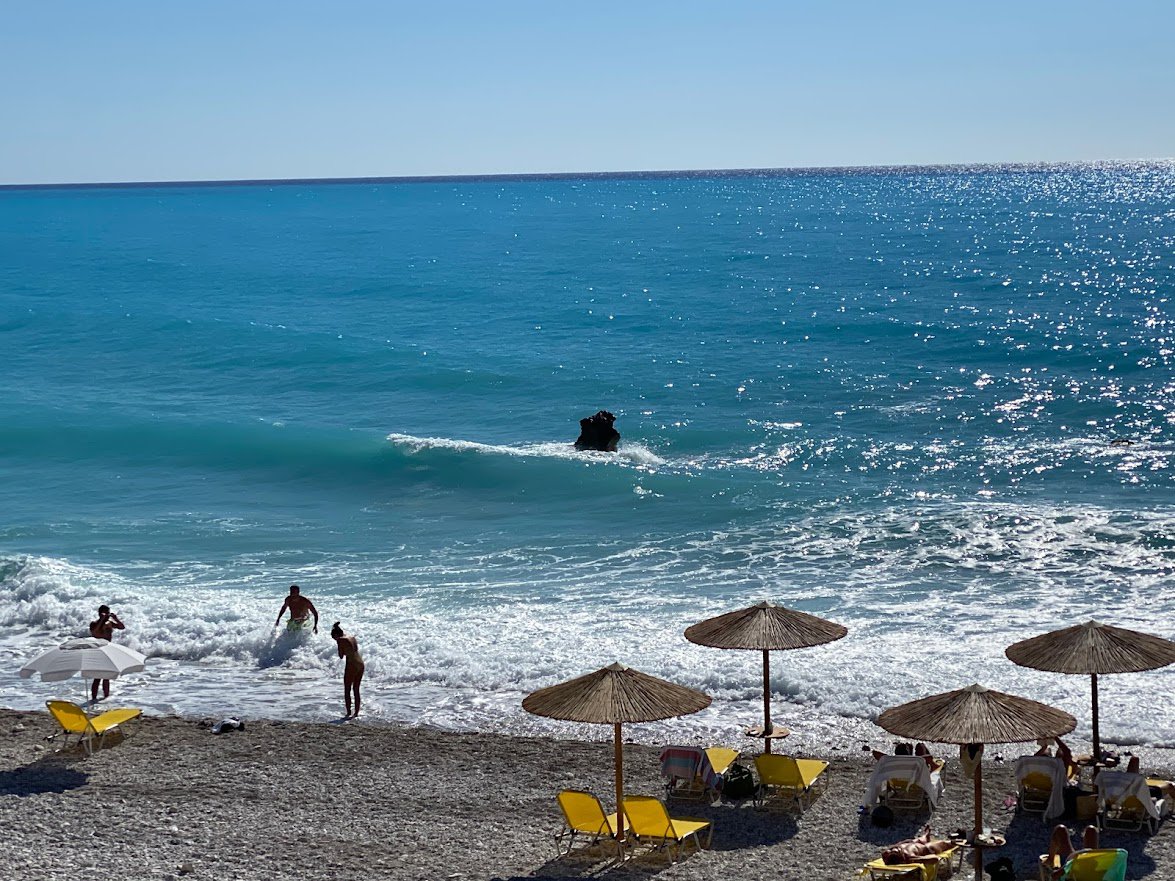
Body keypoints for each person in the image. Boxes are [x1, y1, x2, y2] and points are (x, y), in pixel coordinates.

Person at [88, 605, 125, 701]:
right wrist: (101, 620)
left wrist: (116, 619)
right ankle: (93, 698)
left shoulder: (110, 623)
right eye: (106, 613)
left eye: (108, 613)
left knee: (107, 676)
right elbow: (96, 633)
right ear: (100, 614)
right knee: (97, 677)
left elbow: (122, 627)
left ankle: (106, 697)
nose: (107, 615)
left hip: (108, 650)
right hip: (98, 650)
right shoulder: (94, 624)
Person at [330, 622, 364, 718]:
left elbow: (341, 656)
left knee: (347, 689)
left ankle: (348, 712)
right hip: (360, 663)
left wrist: (340, 647)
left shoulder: (340, 640)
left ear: (336, 635)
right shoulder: (352, 637)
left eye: (334, 638)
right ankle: (356, 712)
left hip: (351, 664)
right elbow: (354, 649)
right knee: (356, 689)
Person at [881, 826, 957, 865]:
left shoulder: (886, 853)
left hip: (913, 843)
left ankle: (925, 836)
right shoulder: (910, 857)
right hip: (927, 848)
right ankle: (958, 840)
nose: (894, 849)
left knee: (914, 841)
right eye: (897, 851)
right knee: (945, 843)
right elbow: (935, 859)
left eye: (891, 850)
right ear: (901, 857)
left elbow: (899, 844)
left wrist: (902, 844)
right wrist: (921, 859)